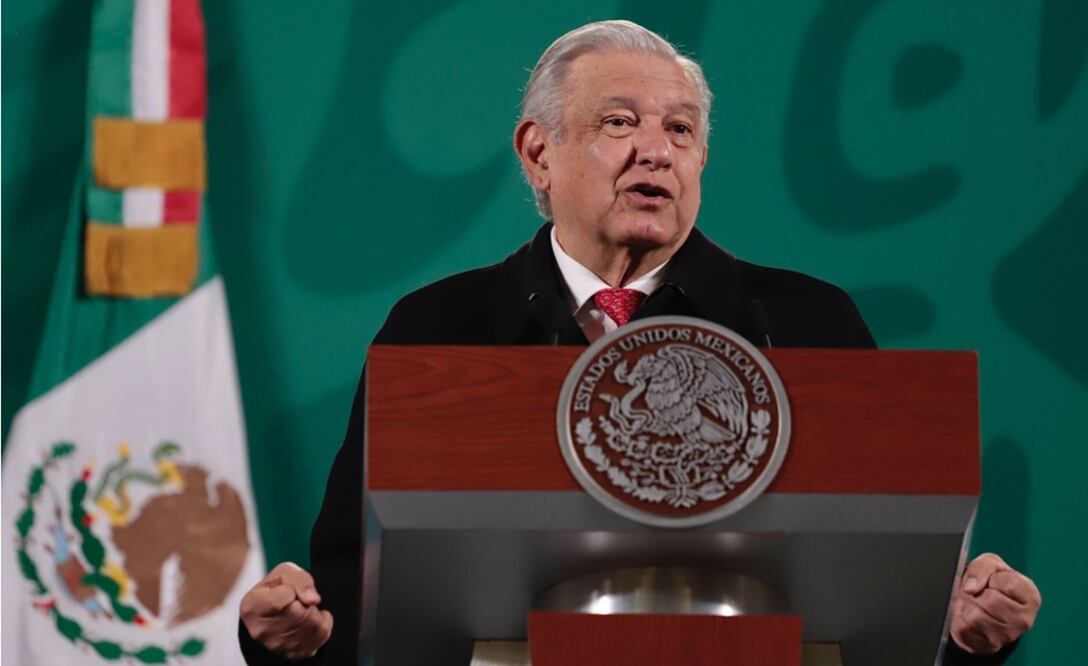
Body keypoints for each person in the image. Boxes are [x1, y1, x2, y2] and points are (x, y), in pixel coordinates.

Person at [238, 20, 1040, 665]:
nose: (655, 149)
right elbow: (349, 594)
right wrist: (289, 640)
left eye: (680, 130)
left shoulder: (806, 323)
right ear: (537, 153)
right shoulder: (437, 327)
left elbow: (889, 580)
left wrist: (964, 634)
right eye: (619, 121)